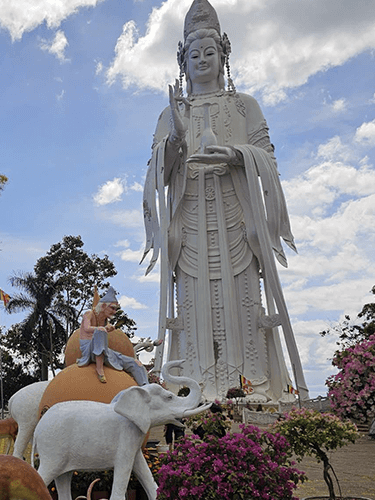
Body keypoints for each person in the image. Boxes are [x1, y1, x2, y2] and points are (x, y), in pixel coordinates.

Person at [141, 0, 306, 403]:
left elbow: (269, 161)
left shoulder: (243, 106)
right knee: (195, 308)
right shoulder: (169, 113)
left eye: (209, 52)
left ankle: (251, 386)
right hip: (191, 222)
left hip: (236, 220)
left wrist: (236, 156)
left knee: (244, 305)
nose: (202, 60)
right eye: (194, 54)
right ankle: (195, 386)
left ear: (223, 54)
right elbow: (157, 178)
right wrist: (176, 140)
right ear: (182, 60)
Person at [77, 286, 149, 385]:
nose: (114, 312)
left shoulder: (105, 321)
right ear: (102, 306)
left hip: (105, 352)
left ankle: (147, 388)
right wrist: (101, 329)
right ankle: (99, 368)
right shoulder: (89, 314)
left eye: (115, 309)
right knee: (100, 331)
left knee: (136, 364)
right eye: (112, 308)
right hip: (89, 350)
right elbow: (86, 328)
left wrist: (107, 329)